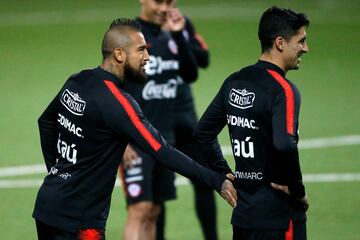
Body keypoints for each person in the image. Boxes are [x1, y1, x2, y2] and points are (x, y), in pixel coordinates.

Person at [32, 18, 237, 240]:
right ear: (119, 54)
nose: (147, 57)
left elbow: (45, 123)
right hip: (79, 219)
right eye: (141, 50)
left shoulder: (78, 80)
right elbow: (162, 150)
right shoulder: (117, 102)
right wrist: (216, 180)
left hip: (47, 205)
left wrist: (57, 172)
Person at [194, 6, 310, 240]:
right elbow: (285, 144)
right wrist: (297, 191)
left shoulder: (235, 81)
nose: (305, 49)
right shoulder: (284, 90)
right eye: (301, 41)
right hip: (279, 216)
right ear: (280, 43)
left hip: (244, 216)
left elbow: (203, 133)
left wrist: (224, 172)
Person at [117, 1, 206, 239]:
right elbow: (112, 89)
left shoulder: (172, 34)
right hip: (136, 140)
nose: (164, 7)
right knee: (140, 209)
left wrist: (178, 36)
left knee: (155, 210)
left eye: (170, 2)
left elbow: (191, 73)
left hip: (163, 139)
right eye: (159, 1)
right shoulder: (128, 35)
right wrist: (121, 139)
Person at [156, 9, 218, 240]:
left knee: (204, 182)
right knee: (158, 194)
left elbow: (203, 59)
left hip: (185, 120)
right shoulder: (141, 33)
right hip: (157, 124)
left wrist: (180, 34)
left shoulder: (182, 23)